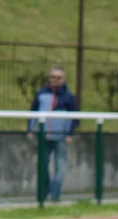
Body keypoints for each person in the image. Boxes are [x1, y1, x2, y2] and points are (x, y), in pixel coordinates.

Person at [27, 65, 78, 204]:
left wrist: (70, 133)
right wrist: (30, 129)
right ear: (49, 78)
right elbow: (33, 111)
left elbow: (75, 117)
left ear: (63, 79)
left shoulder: (68, 97)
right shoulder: (41, 94)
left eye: (59, 77)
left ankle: (55, 195)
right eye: (53, 77)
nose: (55, 80)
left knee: (60, 166)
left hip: (61, 137)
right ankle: (45, 192)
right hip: (43, 135)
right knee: (42, 165)